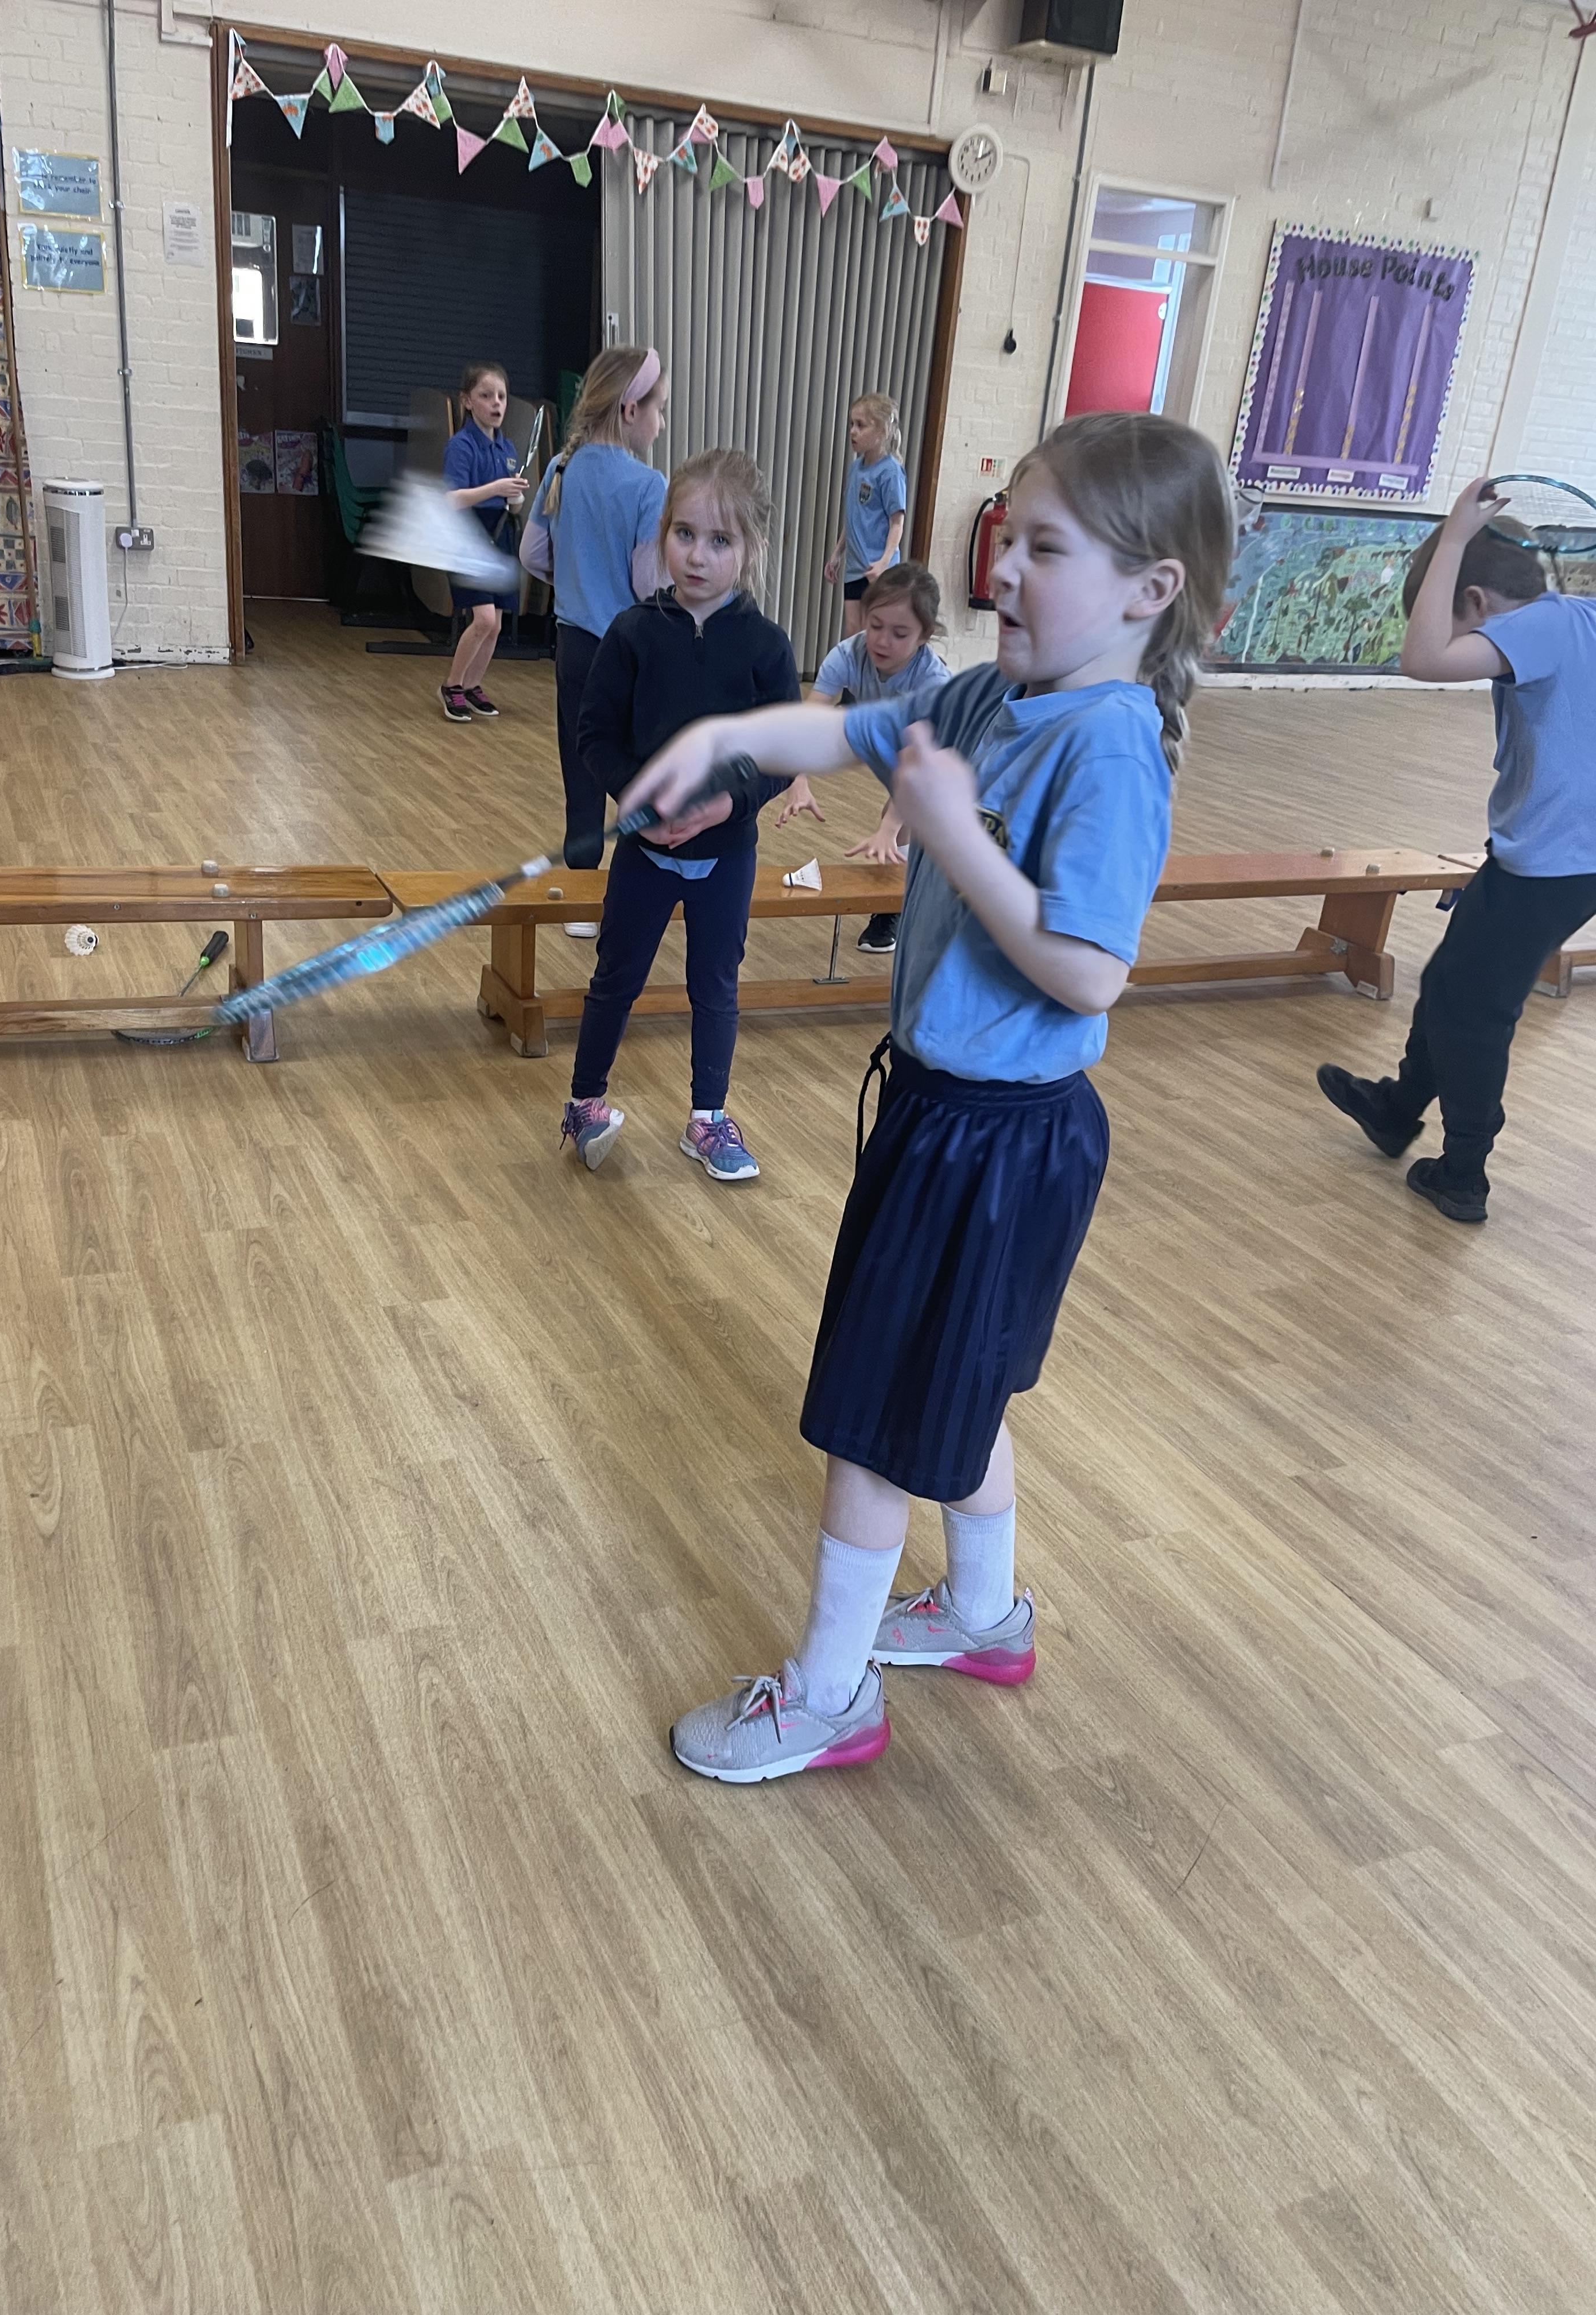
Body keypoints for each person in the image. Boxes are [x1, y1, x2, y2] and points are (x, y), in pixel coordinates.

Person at [622, 411, 1234, 1780]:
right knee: (959, 1391)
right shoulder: (988, 700)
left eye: (1046, 550)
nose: (1000, 569)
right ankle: (982, 1615)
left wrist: (955, 834)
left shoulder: (1108, 748)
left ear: (1151, 590)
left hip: (998, 1139)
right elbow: (844, 728)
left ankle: (832, 1695)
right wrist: (723, 743)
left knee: (873, 1420)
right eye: (1010, 538)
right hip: (948, 1118)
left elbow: (1089, 971)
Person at [1317, 480, 1596, 1224]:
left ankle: (1464, 1175)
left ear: (1476, 601)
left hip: (1554, 863)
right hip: (1556, 858)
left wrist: (1452, 537)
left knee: (1475, 1013)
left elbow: (1424, 658)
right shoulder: (1580, 617)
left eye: (1455, 616)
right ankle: (1396, 1108)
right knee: (1449, 982)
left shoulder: (1538, 624)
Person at [561, 450, 801, 1184]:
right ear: (663, 534)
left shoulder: (766, 647)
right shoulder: (632, 632)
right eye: (685, 534)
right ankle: (584, 1102)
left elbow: (782, 753)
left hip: (727, 855)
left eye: (720, 541)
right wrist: (636, 800)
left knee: (715, 987)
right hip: (644, 852)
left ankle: (708, 1118)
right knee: (616, 977)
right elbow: (595, 736)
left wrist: (728, 804)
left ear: (750, 549)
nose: (698, 556)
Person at [520, 346, 670, 927]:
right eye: (659, 409)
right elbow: (649, 583)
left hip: (574, 650)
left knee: (581, 775)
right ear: (631, 410)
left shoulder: (562, 469)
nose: (662, 423)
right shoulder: (649, 485)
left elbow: (532, 554)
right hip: (628, 652)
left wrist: (575, 579)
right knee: (637, 774)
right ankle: (641, 896)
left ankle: (582, 906)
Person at [777, 560, 950, 954]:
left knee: (908, 818)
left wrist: (888, 829)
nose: (882, 641)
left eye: (900, 633)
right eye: (875, 625)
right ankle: (900, 900)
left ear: (925, 636)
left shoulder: (932, 683)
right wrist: (797, 780)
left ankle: (896, 907)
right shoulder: (848, 654)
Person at [439, 362, 528, 723]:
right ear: (467, 401)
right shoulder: (460, 447)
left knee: (497, 623)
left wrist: (515, 497)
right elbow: (451, 499)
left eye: (502, 396)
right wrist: (495, 489)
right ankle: (452, 686)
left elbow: (514, 505)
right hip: (470, 536)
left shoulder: (508, 449)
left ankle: (473, 684)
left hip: (501, 534)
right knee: (484, 619)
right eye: (486, 395)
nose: (496, 403)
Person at [823, 393, 907, 637]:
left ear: (882, 431)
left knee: (874, 634)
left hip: (879, 570)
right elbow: (854, 517)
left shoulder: (890, 472)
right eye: (852, 424)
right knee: (853, 632)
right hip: (855, 567)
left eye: (861, 425)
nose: (853, 431)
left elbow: (897, 523)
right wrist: (837, 554)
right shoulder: (856, 469)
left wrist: (884, 562)